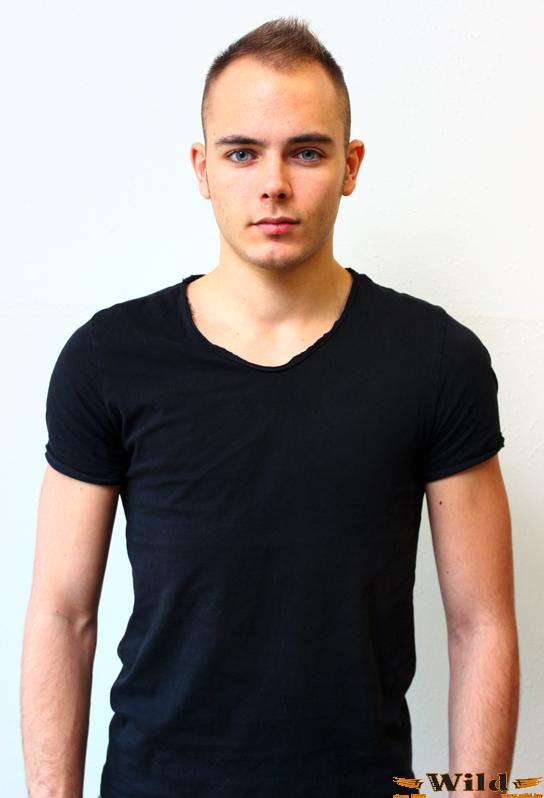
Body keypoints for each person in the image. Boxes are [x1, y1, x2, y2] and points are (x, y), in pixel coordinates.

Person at [21, 16, 519, 798]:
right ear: (202, 167)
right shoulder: (109, 359)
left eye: (307, 152)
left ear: (351, 165)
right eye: (242, 152)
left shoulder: (436, 361)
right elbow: (61, 614)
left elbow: (481, 625)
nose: (274, 184)